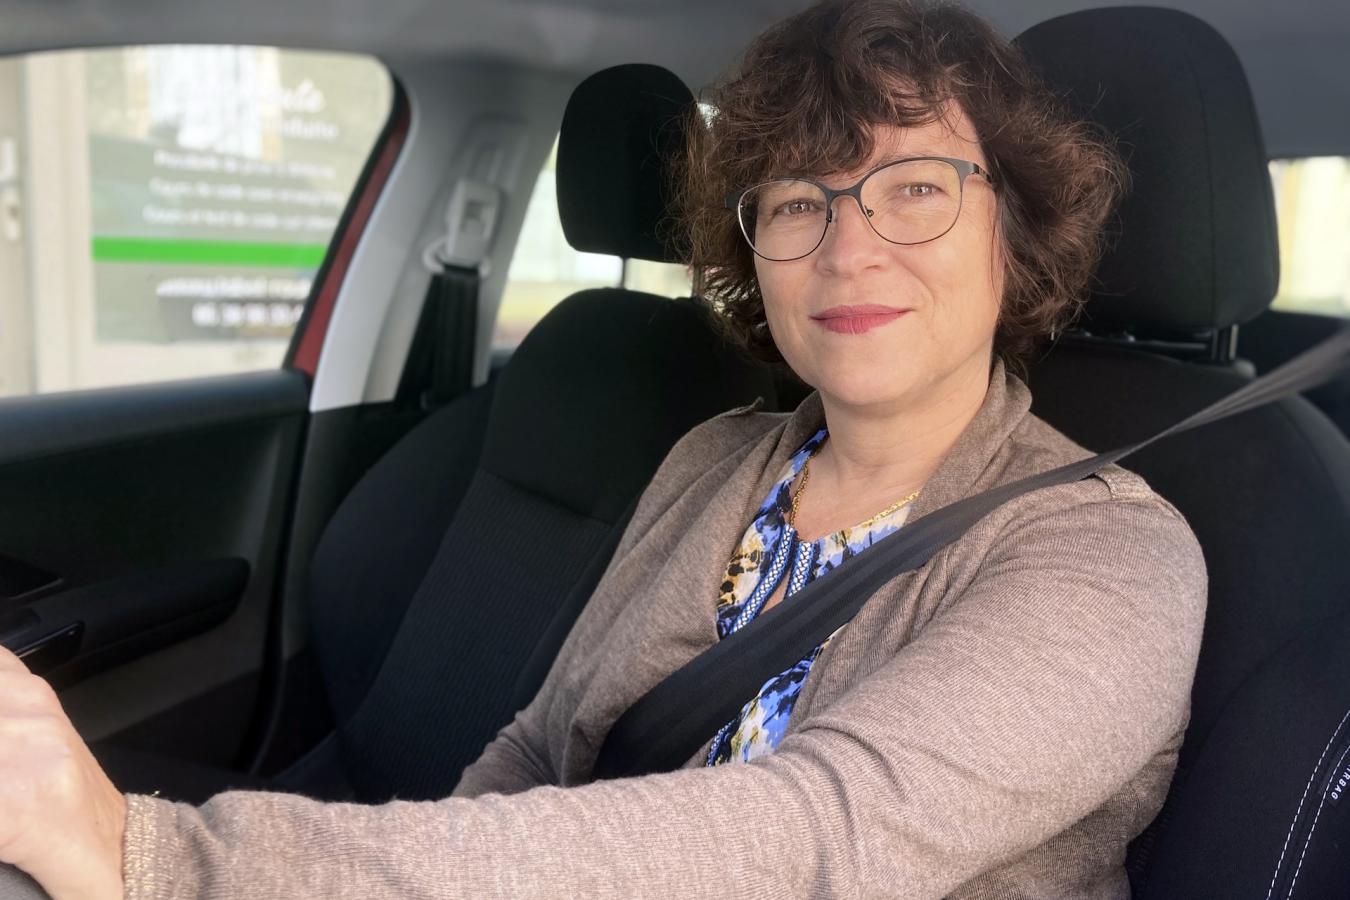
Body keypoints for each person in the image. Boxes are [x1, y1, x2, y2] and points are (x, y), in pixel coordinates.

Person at [0, 1, 1208, 896]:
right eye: (799, 200)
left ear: (1016, 229)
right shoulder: (714, 461)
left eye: (916, 188)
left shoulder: (1111, 557)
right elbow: (540, 747)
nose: (849, 248)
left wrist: (165, 863)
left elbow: (818, 841)